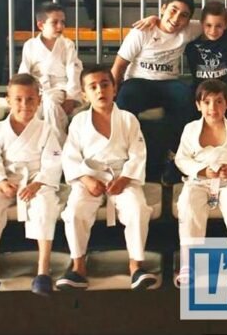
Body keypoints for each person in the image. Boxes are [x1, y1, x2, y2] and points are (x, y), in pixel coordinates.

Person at [58, 64, 156, 291]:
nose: (100, 90)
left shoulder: (128, 119)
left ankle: (136, 266)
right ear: (84, 94)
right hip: (89, 177)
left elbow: (138, 153)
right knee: (74, 212)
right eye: (93, 87)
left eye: (105, 85)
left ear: (114, 88)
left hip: (122, 176)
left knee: (137, 209)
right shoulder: (79, 122)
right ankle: (78, 267)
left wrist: (124, 179)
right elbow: (70, 156)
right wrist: (86, 179)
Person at [0, 74, 62, 296]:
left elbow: (53, 161)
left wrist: (37, 184)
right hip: (5, 179)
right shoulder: (0, 129)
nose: (24, 104)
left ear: (39, 101)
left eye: (30, 99)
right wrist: (1, 181)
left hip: (36, 180)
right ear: (8, 100)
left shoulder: (46, 129)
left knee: (45, 208)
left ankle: (43, 270)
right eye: (18, 99)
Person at [111, 0, 201, 185]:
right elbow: (118, 66)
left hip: (167, 83)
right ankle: (123, 157)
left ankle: (175, 157)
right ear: (163, 9)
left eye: (184, 15)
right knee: (125, 99)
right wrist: (111, 94)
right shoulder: (142, 31)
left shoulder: (190, 29)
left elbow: (221, 21)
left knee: (186, 97)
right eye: (173, 11)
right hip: (139, 81)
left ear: (189, 20)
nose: (176, 18)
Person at [173, 79, 227, 287]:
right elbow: (181, 159)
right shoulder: (191, 129)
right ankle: (188, 262)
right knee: (188, 204)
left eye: (219, 101)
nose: (213, 107)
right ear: (198, 105)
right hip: (199, 181)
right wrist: (201, 170)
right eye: (207, 102)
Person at [19, 2, 83, 144]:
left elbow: (73, 70)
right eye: (55, 22)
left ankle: (57, 145)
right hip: (36, 89)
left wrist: (71, 97)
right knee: (30, 111)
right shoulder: (30, 45)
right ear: (41, 25)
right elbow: (24, 72)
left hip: (60, 88)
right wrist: (24, 92)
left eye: (62, 22)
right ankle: (33, 146)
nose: (60, 26)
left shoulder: (67, 44)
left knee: (50, 103)